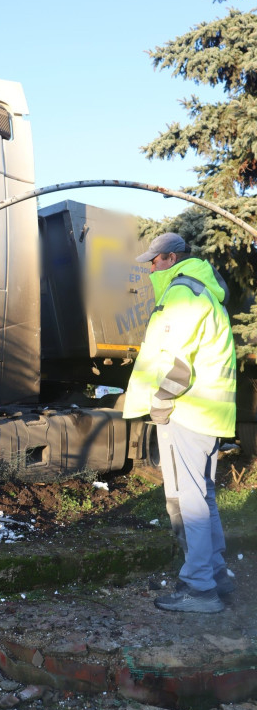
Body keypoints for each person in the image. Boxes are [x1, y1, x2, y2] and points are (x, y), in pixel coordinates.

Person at [123, 232, 237, 613]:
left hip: (185, 411)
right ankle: (215, 574)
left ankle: (199, 588)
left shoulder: (183, 292)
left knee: (186, 501)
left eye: (153, 262)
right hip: (205, 412)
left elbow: (179, 364)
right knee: (202, 496)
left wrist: (160, 401)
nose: (149, 269)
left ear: (170, 258)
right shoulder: (203, 291)